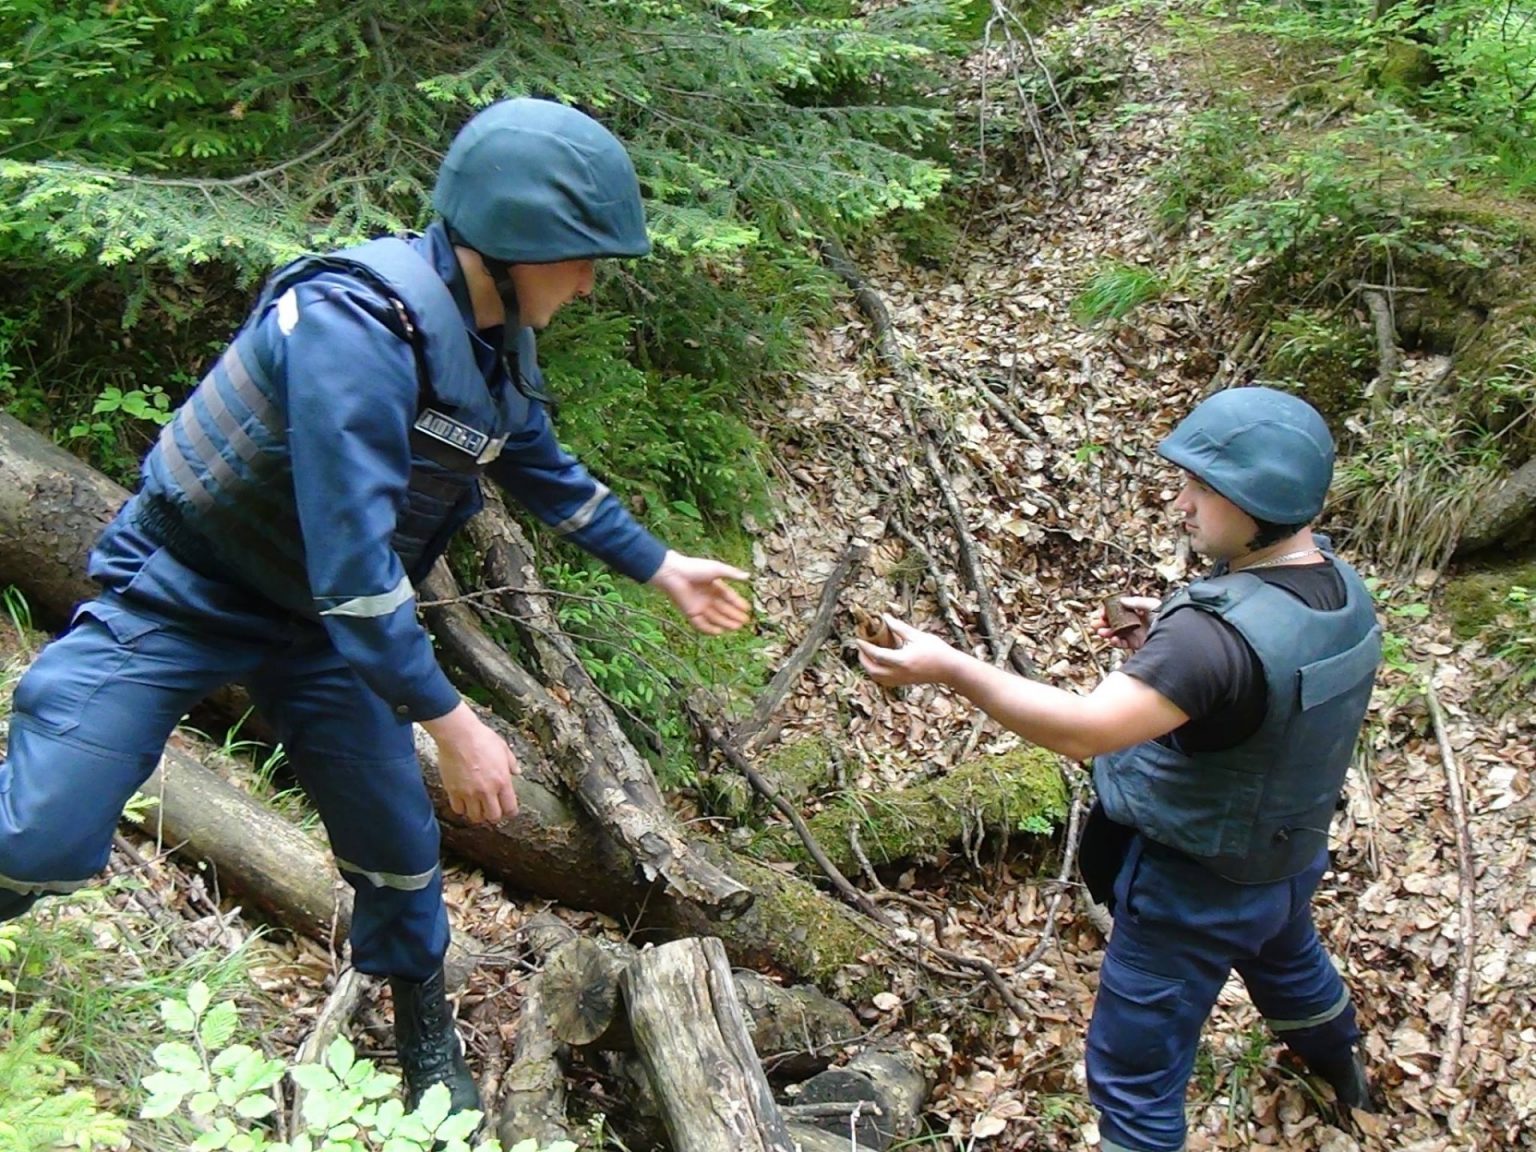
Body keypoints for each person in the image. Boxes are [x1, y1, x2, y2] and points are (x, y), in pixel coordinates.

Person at [0, 99, 750, 1119]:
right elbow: (355, 571)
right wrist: (453, 723)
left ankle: (423, 1034)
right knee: (43, 827)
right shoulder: (353, 329)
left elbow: (544, 469)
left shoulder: (487, 342)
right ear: (515, 241)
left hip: (318, 634)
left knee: (399, 848)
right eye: (580, 257)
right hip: (184, 588)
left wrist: (660, 564)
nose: (588, 280)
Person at [857, 387, 1380, 1152]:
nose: (1183, 501)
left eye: (1203, 486)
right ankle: (1346, 1073)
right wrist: (1172, 644)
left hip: (1189, 894)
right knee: (1292, 968)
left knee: (1135, 1083)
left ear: (1258, 499)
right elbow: (1266, 686)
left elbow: (1086, 731)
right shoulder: (1341, 589)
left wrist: (950, 667)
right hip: (1285, 863)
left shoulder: (1208, 643)